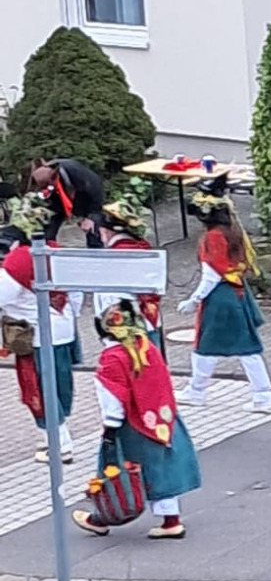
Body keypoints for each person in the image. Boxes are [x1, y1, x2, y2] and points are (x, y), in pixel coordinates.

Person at [72, 298, 201, 541]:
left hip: (132, 425)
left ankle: (102, 518)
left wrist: (110, 428)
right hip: (161, 419)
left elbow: (112, 396)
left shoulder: (112, 358)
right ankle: (170, 520)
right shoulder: (145, 346)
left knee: (118, 470)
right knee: (160, 469)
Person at [0, 196, 81, 462]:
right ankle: (50, 440)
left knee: (40, 389)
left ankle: (61, 444)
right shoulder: (56, 251)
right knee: (59, 386)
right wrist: (68, 315)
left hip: (36, 336)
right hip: (64, 331)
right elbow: (76, 291)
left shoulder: (19, 260)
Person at [179, 192, 271, 412]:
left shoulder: (212, 237)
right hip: (237, 293)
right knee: (247, 348)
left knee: (205, 346)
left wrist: (194, 299)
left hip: (220, 297)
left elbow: (211, 275)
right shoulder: (233, 230)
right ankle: (263, 395)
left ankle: (196, 391)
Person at [93, 196, 166, 354]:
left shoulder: (116, 256)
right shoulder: (141, 247)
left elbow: (110, 295)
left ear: (107, 231)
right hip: (148, 318)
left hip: (128, 326)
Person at [29, 157, 107, 246]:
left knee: (91, 229)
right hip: (60, 201)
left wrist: (91, 218)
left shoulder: (79, 175)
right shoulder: (43, 174)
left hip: (87, 198)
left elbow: (96, 195)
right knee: (51, 225)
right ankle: (47, 245)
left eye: (48, 186)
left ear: (55, 177)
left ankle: (95, 247)